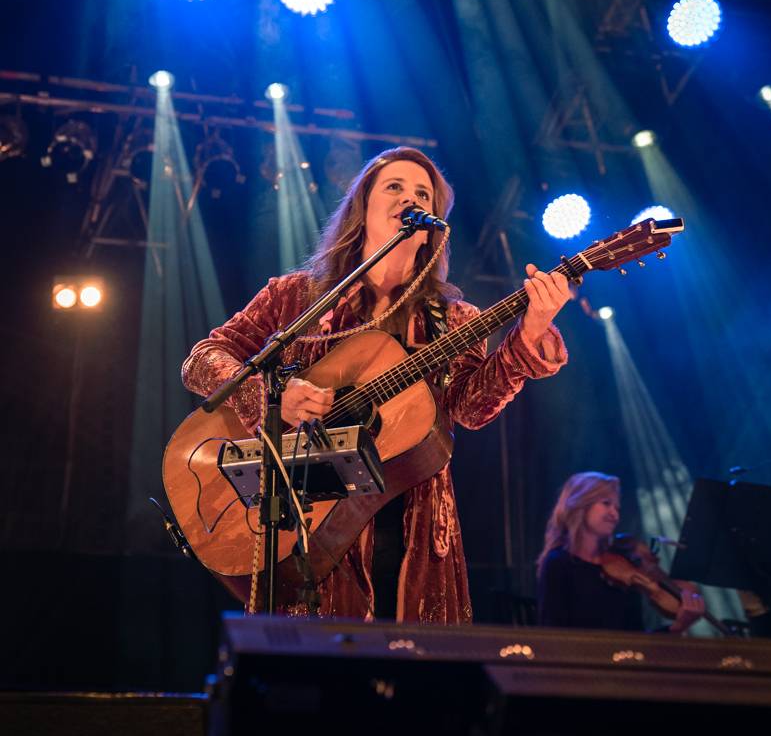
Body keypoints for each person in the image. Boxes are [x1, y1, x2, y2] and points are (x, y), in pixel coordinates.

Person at [182, 146, 569, 624]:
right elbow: (203, 360)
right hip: (310, 525)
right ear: (361, 207)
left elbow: (470, 409)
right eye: (395, 187)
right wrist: (271, 397)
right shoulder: (295, 297)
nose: (410, 198)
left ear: (433, 226)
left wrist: (529, 336)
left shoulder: (454, 319)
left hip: (414, 531)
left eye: (423, 194)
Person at [536, 471, 706, 633]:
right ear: (580, 503)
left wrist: (677, 628)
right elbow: (553, 635)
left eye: (617, 508)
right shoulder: (558, 563)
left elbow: (636, 640)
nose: (615, 515)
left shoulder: (624, 568)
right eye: (606, 503)